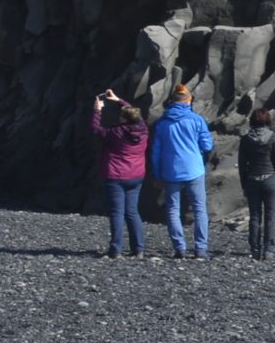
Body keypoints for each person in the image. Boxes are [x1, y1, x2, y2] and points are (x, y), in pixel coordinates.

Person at [149, 83, 215, 260]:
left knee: (172, 210)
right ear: (188, 100)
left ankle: (179, 247)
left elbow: (156, 151)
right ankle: (200, 249)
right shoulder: (196, 119)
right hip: (194, 168)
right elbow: (207, 145)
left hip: (171, 171)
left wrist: (156, 174)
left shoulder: (162, 123)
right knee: (199, 209)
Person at [91, 91, 147, 258]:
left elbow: (95, 129)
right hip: (136, 175)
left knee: (117, 213)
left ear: (123, 119)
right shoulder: (142, 130)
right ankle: (138, 249)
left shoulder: (115, 133)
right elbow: (134, 114)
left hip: (116, 175)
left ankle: (116, 249)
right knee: (132, 212)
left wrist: (97, 110)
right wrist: (118, 100)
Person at [237, 109, 275, 260]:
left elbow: (242, 164)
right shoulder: (273, 138)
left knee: (255, 216)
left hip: (252, 179)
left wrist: (244, 184)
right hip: (270, 179)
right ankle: (268, 249)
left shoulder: (245, 139)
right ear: (267, 121)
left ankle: (255, 248)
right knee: (271, 216)